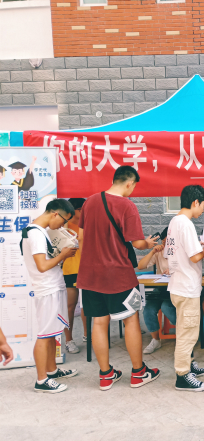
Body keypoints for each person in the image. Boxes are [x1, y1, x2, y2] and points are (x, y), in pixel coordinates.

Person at [78, 165, 160, 391]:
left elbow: (81, 237)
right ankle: (138, 373)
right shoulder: (126, 205)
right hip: (119, 275)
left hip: (90, 275)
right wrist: (148, 243)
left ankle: (105, 375)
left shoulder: (90, 202)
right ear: (129, 183)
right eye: (133, 187)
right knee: (131, 320)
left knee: (99, 322)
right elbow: (137, 243)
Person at [21, 198, 78, 393]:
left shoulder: (39, 231)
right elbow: (42, 266)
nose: (62, 225)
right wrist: (63, 255)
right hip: (47, 290)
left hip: (53, 286)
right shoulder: (36, 233)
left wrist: (62, 255)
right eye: (63, 221)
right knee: (45, 335)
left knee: (52, 333)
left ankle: (52, 371)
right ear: (55, 213)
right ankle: (41, 380)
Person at [165, 185, 204, 391]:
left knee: (186, 329)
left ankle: (189, 365)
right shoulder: (186, 224)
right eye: (203, 206)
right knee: (188, 333)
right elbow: (195, 257)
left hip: (178, 285)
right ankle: (182, 375)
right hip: (187, 286)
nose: (202, 210)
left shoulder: (175, 221)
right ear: (195, 202)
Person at [138, 227, 173, 354]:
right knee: (148, 310)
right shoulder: (159, 253)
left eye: (169, 242)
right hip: (160, 289)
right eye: (164, 242)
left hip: (175, 289)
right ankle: (156, 340)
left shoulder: (181, 252)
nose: (166, 244)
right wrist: (152, 252)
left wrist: (174, 270)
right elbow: (140, 266)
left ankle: (184, 334)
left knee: (166, 307)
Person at [63, 197, 87, 354]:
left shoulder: (87, 225)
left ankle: (87, 335)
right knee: (70, 306)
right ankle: (69, 340)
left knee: (86, 305)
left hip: (87, 269)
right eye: (83, 209)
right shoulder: (63, 226)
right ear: (76, 210)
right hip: (69, 270)